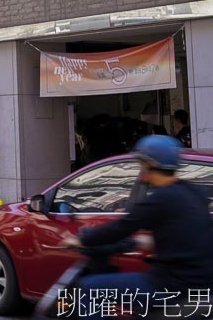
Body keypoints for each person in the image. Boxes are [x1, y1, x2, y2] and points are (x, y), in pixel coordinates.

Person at [62, 135, 213, 315]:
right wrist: (144, 241)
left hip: (172, 285)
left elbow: (121, 228)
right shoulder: (192, 192)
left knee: (90, 289)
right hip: (203, 283)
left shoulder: (161, 198)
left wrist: (81, 240)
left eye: (141, 163)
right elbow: (185, 230)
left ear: (149, 164)